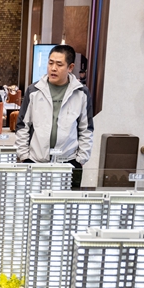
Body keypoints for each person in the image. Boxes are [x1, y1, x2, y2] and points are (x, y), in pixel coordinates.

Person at [14, 44, 93, 188]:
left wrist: (80, 159)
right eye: (50, 63)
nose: (53, 68)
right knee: (33, 201)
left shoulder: (81, 93)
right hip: (36, 162)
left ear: (70, 67)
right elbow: (22, 126)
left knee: (66, 202)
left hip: (69, 163)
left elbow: (86, 129)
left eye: (59, 64)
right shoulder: (34, 91)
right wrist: (25, 157)